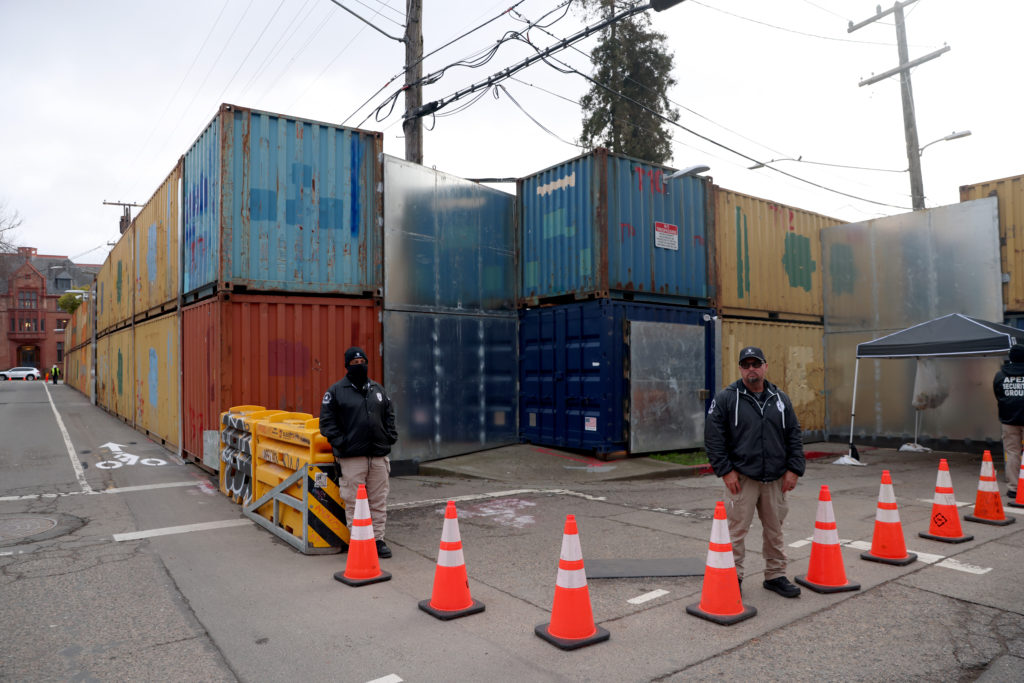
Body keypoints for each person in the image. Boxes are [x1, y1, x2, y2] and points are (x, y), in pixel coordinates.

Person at [704, 346, 806, 598]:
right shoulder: (727, 398)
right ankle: (732, 577)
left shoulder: (780, 398)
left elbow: (793, 434)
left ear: (765, 366)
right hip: (742, 478)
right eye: (746, 364)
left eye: (756, 364)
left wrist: (794, 468)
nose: (752, 369)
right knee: (736, 531)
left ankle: (775, 575)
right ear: (740, 368)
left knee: (775, 530)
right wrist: (726, 471)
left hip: (775, 479)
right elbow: (713, 437)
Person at [319, 347, 398, 558]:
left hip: (378, 456)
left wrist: (390, 436)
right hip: (352, 458)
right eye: (354, 363)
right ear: (347, 366)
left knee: (378, 501)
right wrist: (341, 443)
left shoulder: (377, 390)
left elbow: (389, 414)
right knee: (354, 502)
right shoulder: (336, 392)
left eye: (362, 361)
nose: (359, 365)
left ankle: (378, 540)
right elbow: (327, 423)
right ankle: (359, 541)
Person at [993, 343, 1024, 498]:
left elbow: (998, 395)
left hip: (1009, 419)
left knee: (1012, 452)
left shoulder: (1000, 375)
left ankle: (1013, 488)